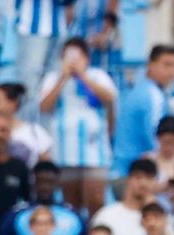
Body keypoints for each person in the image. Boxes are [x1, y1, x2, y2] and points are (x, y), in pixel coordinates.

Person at [39, 38, 117, 214]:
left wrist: (83, 76)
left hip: (94, 150)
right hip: (65, 151)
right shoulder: (53, 78)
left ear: (86, 58)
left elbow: (109, 98)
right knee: (69, 203)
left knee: (96, 200)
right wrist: (62, 79)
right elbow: (44, 106)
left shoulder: (98, 75)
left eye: (77, 56)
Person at [112, 45, 174, 178]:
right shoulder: (153, 95)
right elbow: (155, 138)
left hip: (121, 167)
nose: (172, 71)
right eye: (167, 65)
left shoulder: (136, 89)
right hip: (136, 172)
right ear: (150, 65)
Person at [91, 159, 158, 235]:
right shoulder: (107, 215)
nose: (143, 183)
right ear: (128, 180)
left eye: (149, 178)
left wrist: (153, 210)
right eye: (138, 177)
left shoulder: (162, 217)